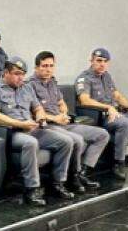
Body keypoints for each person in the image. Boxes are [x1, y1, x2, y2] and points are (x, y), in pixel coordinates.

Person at [0, 58, 75, 206]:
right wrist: (20, 124)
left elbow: (37, 107)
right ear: (5, 73)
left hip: (31, 128)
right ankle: (31, 189)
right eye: (17, 74)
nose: (20, 77)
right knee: (30, 143)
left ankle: (57, 184)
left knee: (66, 141)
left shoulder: (26, 88)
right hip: (11, 132)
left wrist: (39, 115)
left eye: (23, 74)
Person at [28, 51, 111, 187]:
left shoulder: (52, 82)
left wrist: (64, 113)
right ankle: (71, 178)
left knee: (102, 135)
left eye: (51, 65)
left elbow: (61, 102)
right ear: (36, 67)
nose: (48, 69)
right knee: (76, 140)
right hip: (47, 126)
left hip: (63, 123)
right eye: (44, 66)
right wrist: (55, 118)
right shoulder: (29, 85)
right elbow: (34, 113)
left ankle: (82, 173)